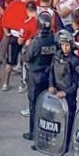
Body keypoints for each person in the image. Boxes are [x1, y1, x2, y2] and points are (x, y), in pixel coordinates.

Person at [20, 11, 57, 140]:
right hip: (48, 75)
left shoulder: (37, 42)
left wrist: (25, 48)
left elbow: (27, 57)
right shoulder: (53, 39)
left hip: (35, 75)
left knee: (34, 105)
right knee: (47, 105)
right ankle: (47, 132)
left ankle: (34, 133)